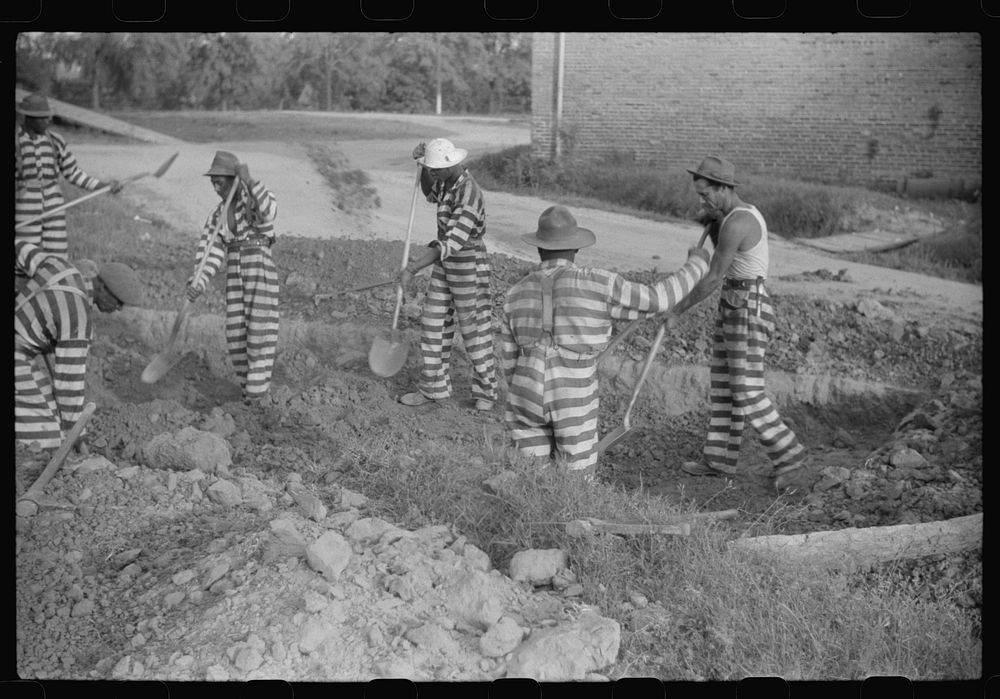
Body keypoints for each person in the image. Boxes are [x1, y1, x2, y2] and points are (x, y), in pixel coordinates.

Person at [499, 205, 710, 478]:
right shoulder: (597, 283)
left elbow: (508, 360)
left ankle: (530, 513)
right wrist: (697, 264)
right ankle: (570, 516)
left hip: (524, 390)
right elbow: (659, 300)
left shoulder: (515, 292)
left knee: (529, 473)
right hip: (572, 393)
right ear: (576, 249)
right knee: (576, 473)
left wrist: (525, 387)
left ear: (539, 249)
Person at [666, 156, 807, 491]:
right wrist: (710, 226)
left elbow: (714, 276)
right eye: (699, 195)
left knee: (746, 389)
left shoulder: (738, 222)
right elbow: (719, 265)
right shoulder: (727, 218)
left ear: (724, 188)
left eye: (706, 195)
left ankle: (791, 457)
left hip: (748, 308)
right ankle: (718, 460)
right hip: (734, 304)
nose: (702, 201)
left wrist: (678, 309)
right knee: (725, 386)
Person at [397, 138, 497, 411]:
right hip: (445, 263)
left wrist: (412, 268)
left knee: (474, 332)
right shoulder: (446, 181)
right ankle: (433, 389)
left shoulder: (469, 194)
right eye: (430, 170)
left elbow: (450, 242)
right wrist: (421, 164)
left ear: (449, 165)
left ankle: (486, 393)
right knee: (433, 326)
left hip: (468, 264)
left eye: (434, 170)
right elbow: (431, 193)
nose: (431, 175)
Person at [15, 240, 144, 450]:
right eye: (118, 301)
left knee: (51, 411)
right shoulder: (78, 319)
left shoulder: (60, 266)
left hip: (22, 354)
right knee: (47, 439)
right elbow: (68, 384)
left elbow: (19, 248)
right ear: (102, 286)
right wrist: (77, 432)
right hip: (17, 357)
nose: (118, 309)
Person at [184, 150, 279, 404]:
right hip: (234, 271)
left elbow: (269, 211)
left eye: (220, 181)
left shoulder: (254, 198)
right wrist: (198, 282)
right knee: (236, 335)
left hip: (259, 265)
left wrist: (250, 181)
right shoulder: (217, 215)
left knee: (259, 333)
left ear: (233, 179)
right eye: (213, 182)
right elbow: (209, 252)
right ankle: (249, 393)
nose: (215, 187)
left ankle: (258, 397)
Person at [15, 93, 122, 258]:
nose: (48, 120)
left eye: (48, 116)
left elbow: (73, 173)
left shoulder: (56, 141)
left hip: (54, 207)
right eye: (42, 118)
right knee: (25, 255)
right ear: (28, 118)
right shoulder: (16, 142)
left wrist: (104, 186)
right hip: (24, 209)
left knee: (57, 256)